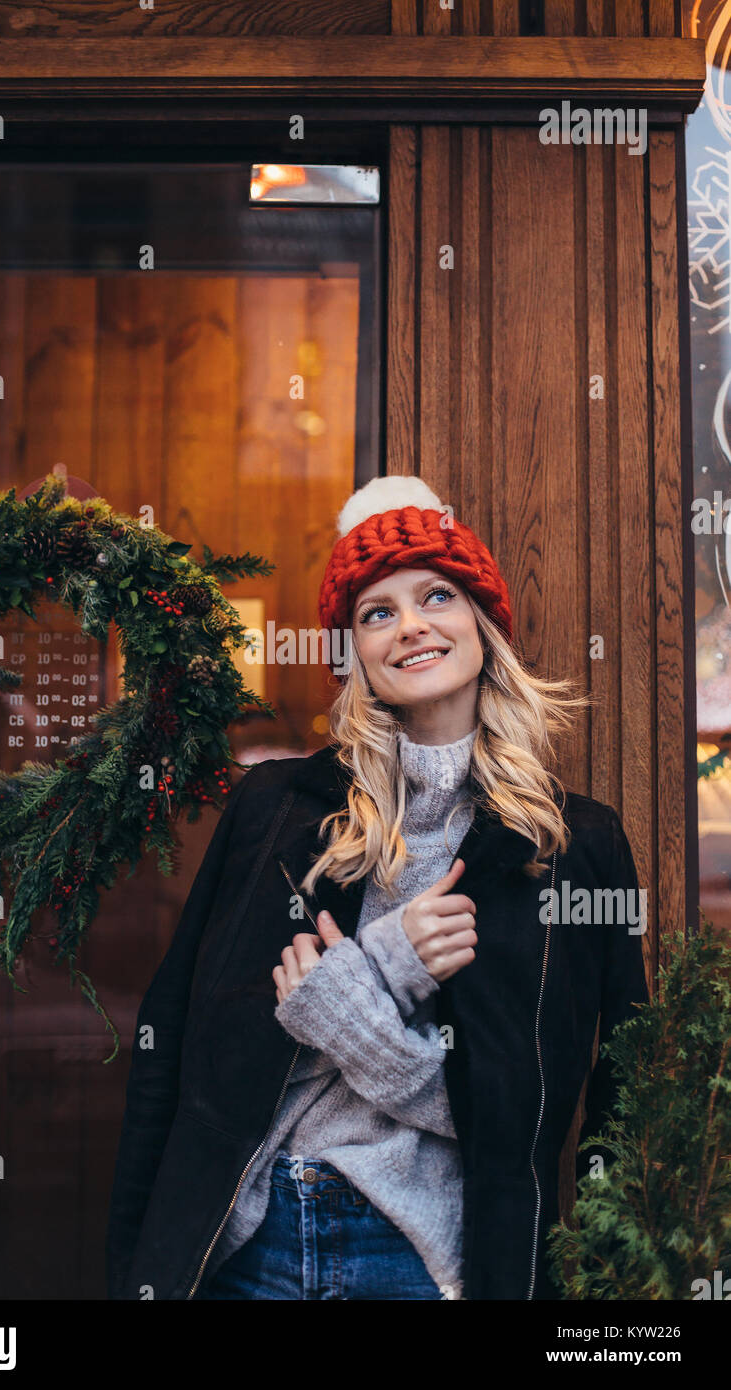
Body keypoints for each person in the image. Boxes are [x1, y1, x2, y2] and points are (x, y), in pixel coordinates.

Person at [106, 474, 649, 1301]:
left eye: (437, 594)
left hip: (426, 1259)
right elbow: (187, 1042)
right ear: (354, 650)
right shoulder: (276, 810)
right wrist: (387, 961)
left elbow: (549, 1108)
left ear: (483, 621)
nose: (412, 627)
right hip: (247, 1239)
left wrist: (362, 1026)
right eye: (377, 611)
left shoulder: (574, 845)